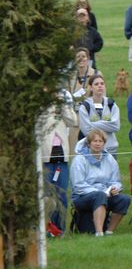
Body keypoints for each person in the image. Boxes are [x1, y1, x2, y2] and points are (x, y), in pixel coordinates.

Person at [70, 129, 130, 236]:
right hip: (81, 197)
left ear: (104, 143)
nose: (97, 144)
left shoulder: (109, 158)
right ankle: (99, 233)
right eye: (94, 141)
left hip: (105, 194)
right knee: (99, 196)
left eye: (100, 141)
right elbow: (78, 186)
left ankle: (109, 231)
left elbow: (116, 181)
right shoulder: (79, 159)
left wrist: (114, 188)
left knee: (124, 199)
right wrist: (102, 192)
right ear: (89, 143)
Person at [37, 89, 78, 234]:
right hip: (44, 157)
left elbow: (73, 121)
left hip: (61, 157)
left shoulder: (62, 97)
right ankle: (46, 229)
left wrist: (62, 104)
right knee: (47, 196)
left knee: (61, 195)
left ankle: (59, 230)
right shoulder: (37, 98)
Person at [78, 74, 120, 156]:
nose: (100, 86)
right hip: (92, 150)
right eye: (96, 84)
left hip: (110, 149)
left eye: (102, 83)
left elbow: (115, 126)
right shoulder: (85, 107)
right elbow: (86, 130)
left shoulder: (111, 104)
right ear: (90, 88)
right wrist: (107, 124)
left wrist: (93, 124)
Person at [65, 47, 95, 152]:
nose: (81, 59)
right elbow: (67, 96)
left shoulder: (95, 74)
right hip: (74, 117)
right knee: (73, 150)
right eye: (78, 57)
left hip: (90, 117)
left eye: (83, 57)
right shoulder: (69, 76)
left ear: (88, 59)